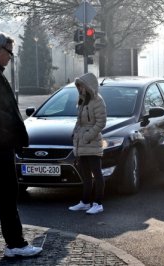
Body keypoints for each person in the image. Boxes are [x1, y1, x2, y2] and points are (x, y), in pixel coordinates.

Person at [0, 31, 43, 257]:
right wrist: (9, 124)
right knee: (8, 194)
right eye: (9, 52)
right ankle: (16, 245)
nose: (10, 57)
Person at [69, 72, 107, 215]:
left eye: (81, 85)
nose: (79, 88)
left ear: (87, 86)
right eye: (77, 86)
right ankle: (85, 202)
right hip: (82, 143)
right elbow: (79, 121)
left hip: (92, 143)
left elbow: (101, 122)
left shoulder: (98, 101)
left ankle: (98, 203)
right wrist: (75, 134)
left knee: (97, 174)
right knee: (85, 175)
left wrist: (87, 136)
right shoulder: (82, 100)